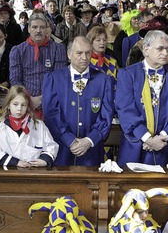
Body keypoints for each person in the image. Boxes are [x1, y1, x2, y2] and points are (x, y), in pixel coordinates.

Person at [115, 30, 168, 167]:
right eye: (160, 48)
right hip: (135, 147)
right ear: (146, 50)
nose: (166, 53)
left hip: (164, 147)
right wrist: (148, 139)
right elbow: (125, 111)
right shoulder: (127, 74)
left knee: (164, 189)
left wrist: (162, 137)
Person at [42, 36, 114, 166]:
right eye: (79, 53)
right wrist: (69, 140)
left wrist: (89, 140)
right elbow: (51, 114)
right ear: (69, 54)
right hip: (61, 150)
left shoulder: (104, 80)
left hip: (92, 151)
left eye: (88, 53)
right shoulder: (53, 78)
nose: (84, 57)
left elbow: (106, 115)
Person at [0, 85, 58, 167]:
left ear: (27, 106)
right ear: (8, 105)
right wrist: (15, 162)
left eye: (23, 105)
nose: (19, 109)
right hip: (6, 173)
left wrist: (44, 160)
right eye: (15, 104)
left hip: (33, 172)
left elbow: (51, 146)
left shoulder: (38, 125)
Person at [9, 13, 67, 113]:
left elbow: (59, 79)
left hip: (52, 103)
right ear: (28, 29)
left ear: (47, 29)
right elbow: (15, 80)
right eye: (35, 27)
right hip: (24, 105)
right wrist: (29, 99)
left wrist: (43, 99)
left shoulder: (58, 49)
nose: (38, 31)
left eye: (42, 27)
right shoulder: (17, 50)